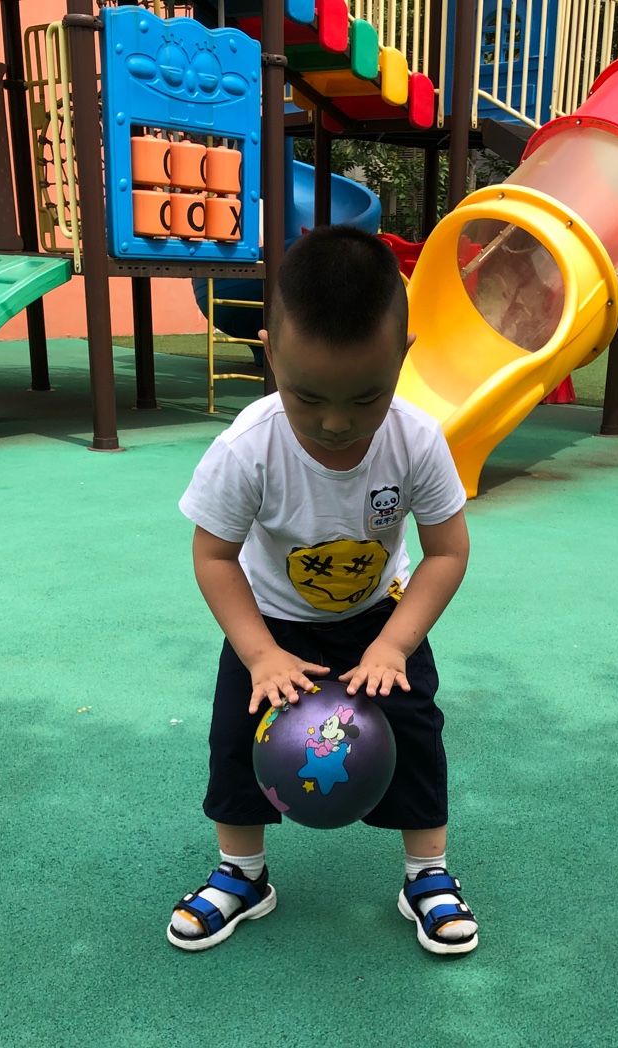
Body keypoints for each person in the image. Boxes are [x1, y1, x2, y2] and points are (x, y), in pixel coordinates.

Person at [168, 226, 477, 958]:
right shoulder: (249, 447)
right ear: (271, 355)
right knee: (235, 737)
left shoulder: (417, 441)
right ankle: (241, 873)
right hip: (273, 626)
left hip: (380, 620)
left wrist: (396, 644)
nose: (336, 423)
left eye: (366, 397)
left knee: (417, 732)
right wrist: (259, 654)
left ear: (402, 359)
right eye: (307, 397)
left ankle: (427, 875)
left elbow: (448, 552)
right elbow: (214, 556)